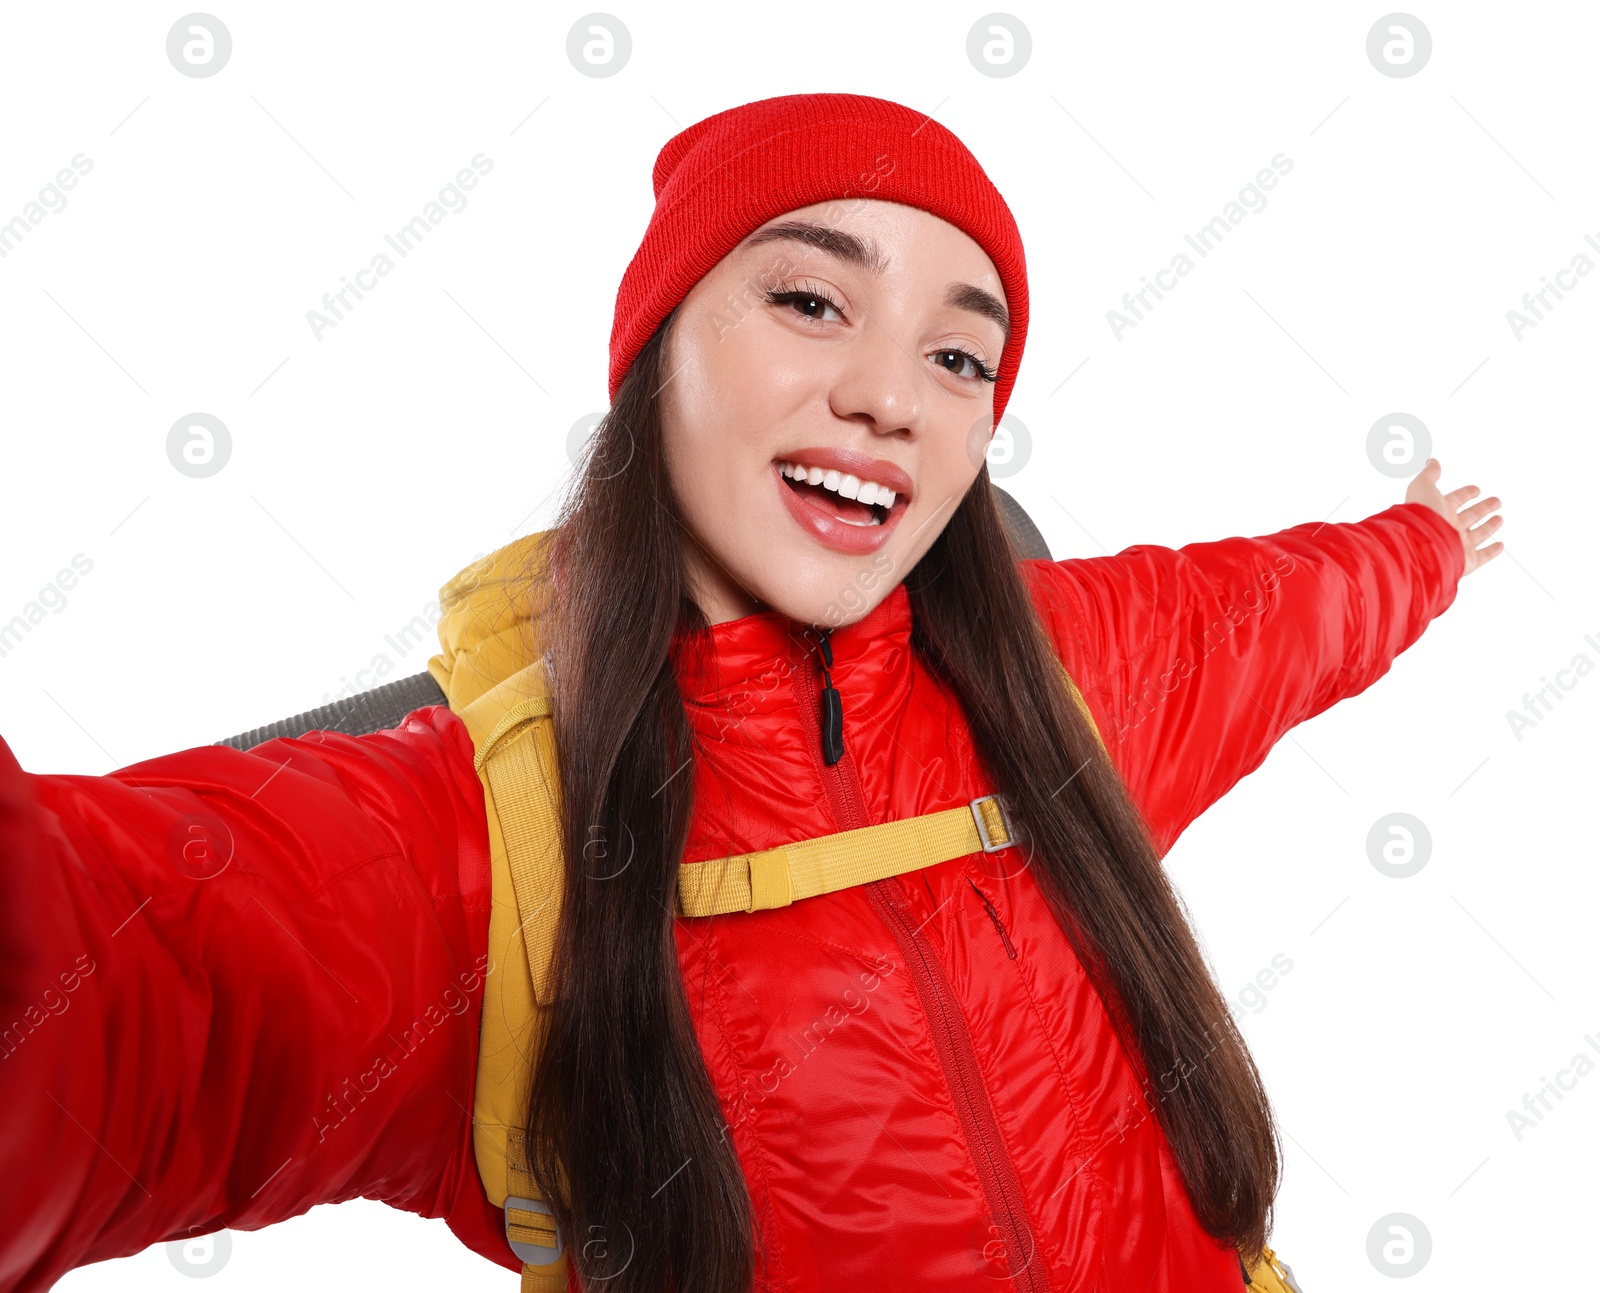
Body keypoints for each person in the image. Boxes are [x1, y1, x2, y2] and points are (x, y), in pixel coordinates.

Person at [0, 93, 1502, 1293]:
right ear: (658, 355)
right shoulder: (479, 854)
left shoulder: (1071, 679)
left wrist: (1427, 542)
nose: (894, 397)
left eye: (960, 354)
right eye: (810, 299)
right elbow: (111, 988)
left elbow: (1290, 608)